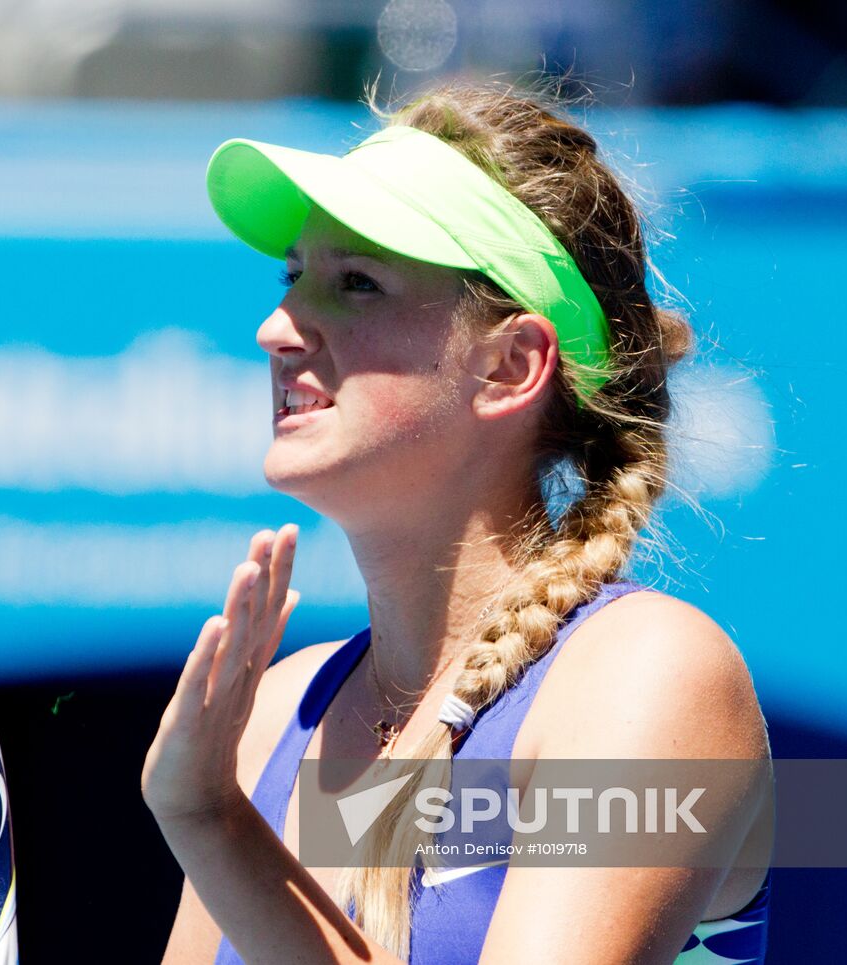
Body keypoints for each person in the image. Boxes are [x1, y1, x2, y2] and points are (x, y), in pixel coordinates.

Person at [140, 79, 772, 964]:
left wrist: (210, 823)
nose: (276, 328)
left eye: (356, 282)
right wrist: (213, 815)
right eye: (293, 276)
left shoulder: (650, 677)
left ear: (511, 365)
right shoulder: (274, 710)